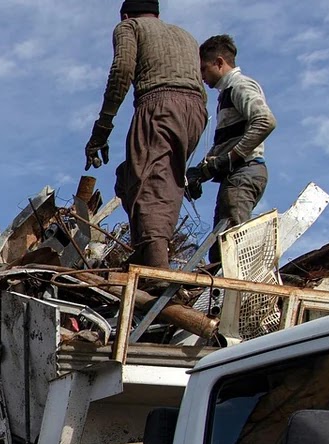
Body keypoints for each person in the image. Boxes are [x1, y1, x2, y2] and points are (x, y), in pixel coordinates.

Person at [85, 0, 207, 269]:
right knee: (132, 177)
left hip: (159, 104)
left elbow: (121, 71)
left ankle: (156, 270)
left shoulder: (130, 27)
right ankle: (146, 249)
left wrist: (102, 128)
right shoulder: (186, 36)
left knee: (150, 186)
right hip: (196, 112)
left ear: (126, 14)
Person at [187, 34, 276, 264]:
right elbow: (226, 145)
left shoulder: (239, 85)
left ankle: (241, 296)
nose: (202, 76)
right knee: (220, 249)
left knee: (234, 246)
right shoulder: (225, 95)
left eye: (204, 69)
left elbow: (265, 121)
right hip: (237, 174)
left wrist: (231, 158)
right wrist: (201, 173)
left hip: (244, 172)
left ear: (219, 62)